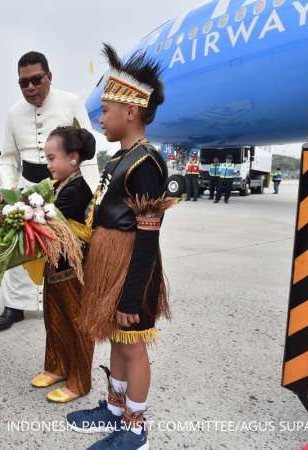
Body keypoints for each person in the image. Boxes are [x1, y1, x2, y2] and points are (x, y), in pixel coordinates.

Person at [67, 45, 173, 450]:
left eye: (107, 111)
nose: (101, 119)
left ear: (131, 112)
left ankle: (134, 428)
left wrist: (131, 295)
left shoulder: (146, 162)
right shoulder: (120, 158)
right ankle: (113, 410)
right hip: (110, 262)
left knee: (134, 344)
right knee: (115, 338)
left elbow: (148, 235)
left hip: (133, 268)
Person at [0, 50, 100, 332]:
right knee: (18, 245)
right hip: (28, 186)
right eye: (23, 82)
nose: (30, 87)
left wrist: (93, 190)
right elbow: (7, 157)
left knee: (65, 247)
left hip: (65, 187)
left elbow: (87, 148)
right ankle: (14, 305)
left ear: (49, 77)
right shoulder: (13, 113)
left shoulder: (71, 102)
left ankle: (64, 299)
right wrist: (8, 190)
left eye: (36, 80)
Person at [31, 126, 95, 404]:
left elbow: (44, 220)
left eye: (51, 158)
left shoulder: (77, 190)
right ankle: (57, 367)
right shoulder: (57, 186)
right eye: (46, 158)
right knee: (54, 320)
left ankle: (79, 381)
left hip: (73, 272)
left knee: (77, 325)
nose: (48, 164)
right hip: (54, 268)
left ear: (73, 157)